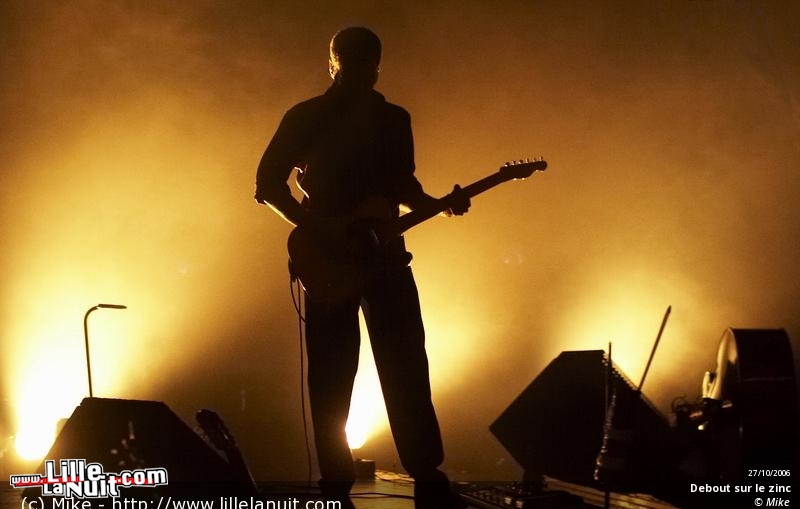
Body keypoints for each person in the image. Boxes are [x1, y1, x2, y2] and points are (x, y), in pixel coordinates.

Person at [255, 27, 469, 509]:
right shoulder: (308, 117)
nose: (361, 71)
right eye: (353, 62)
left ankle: (417, 471)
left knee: (404, 359)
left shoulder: (392, 119)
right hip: (333, 257)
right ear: (336, 64)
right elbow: (267, 184)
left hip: (386, 254)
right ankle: (345, 476)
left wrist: (439, 203)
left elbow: (401, 183)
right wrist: (317, 228)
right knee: (349, 366)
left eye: (366, 62)